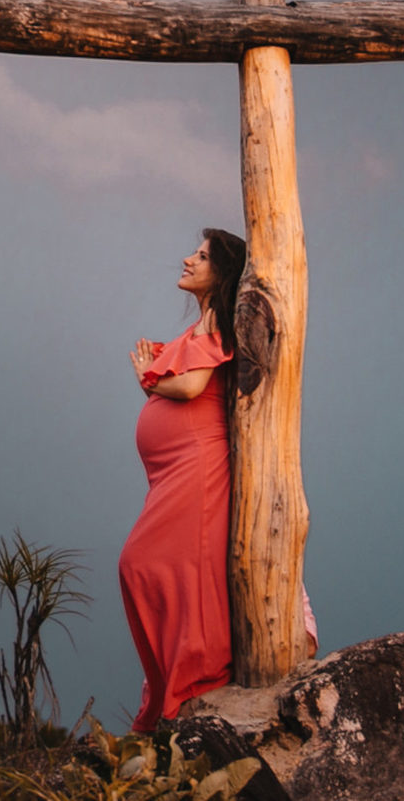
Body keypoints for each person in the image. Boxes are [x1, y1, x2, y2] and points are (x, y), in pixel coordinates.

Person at [118, 227, 247, 732]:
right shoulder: (197, 330)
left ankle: (196, 678)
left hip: (198, 466)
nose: (188, 259)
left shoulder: (222, 323)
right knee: (149, 567)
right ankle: (175, 681)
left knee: (151, 564)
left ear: (223, 271)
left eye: (201, 256)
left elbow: (192, 385)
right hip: (171, 473)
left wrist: (147, 379)